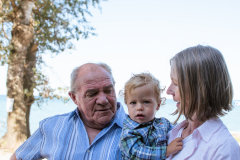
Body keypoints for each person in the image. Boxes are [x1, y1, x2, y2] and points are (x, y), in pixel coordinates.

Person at [10, 63, 126, 160]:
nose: (103, 100)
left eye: (108, 90)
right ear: (74, 98)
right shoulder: (51, 127)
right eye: (92, 94)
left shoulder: (139, 130)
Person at [166, 45, 240, 160]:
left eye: (175, 83)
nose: (168, 91)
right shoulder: (173, 132)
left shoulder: (223, 148)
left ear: (200, 89)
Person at [119, 73, 183, 160]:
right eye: (133, 103)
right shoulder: (129, 132)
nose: (139, 108)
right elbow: (137, 153)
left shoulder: (163, 123)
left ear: (158, 105)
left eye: (146, 102)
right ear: (127, 104)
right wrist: (166, 151)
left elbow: (179, 130)